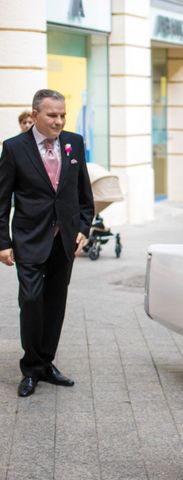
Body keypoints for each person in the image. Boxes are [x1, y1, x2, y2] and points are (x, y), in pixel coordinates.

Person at [0, 89, 94, 397]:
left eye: (62, 115)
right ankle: (31, 367)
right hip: (28, 238)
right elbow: (2, 201)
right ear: (36, 114)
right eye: (52, 115)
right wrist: (3, 242)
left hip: (63, 240)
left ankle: (46, 364)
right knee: (30, 301)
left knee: (55, 305)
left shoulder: (74, 142)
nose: (59, 121)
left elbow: (84, 195)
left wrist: (83, 228)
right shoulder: (14, 148)